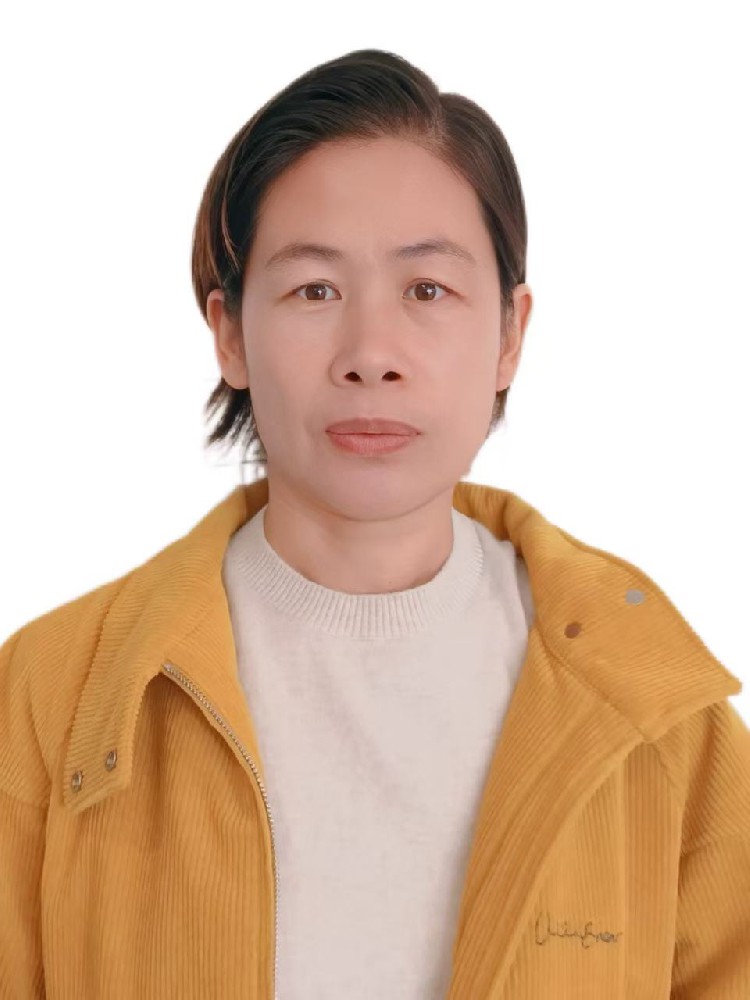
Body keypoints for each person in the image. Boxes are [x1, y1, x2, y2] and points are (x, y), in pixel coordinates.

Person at [1, 47, 748, 1000]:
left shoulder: (656, 708)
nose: (370, 353)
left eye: (427, 289)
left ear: (510, 334)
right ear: (229, 333)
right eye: (314, 290)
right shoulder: (49, 700)